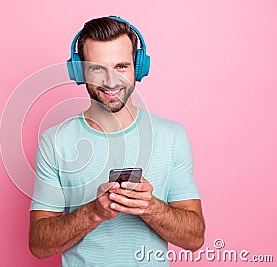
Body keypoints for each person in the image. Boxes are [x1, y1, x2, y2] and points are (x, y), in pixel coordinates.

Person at [29, 16, 205, 266]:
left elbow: (195, 237)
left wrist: (149, 207)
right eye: (97, 68)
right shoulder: (55, 142)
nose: (111, 82)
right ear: (80, 71)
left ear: (138, 68)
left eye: (121, 67)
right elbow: (38, 245)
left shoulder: (172, 136)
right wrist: (94, 212)